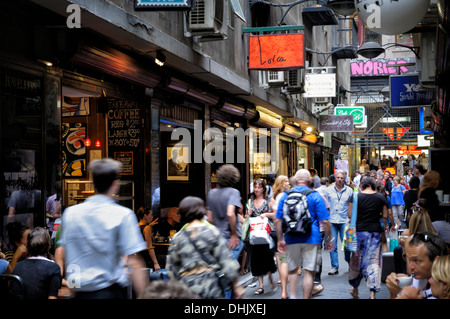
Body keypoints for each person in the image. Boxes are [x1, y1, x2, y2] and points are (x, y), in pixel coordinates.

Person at [61, 158, 148, 299]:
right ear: (115, 184)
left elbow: (70, 257)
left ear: (92, 183)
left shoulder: (70, 214)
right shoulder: (123, 215)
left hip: (80, 293)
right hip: (111, 292)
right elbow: (135, 261)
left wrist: (74, 292)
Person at [166, 196, 242, 299]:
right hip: (210, 286)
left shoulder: (177, 237)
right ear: (202, 211)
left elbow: (171, 268)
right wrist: (236, 286)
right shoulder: (212, 231)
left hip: (187, 290)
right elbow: (226, 262)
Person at [275, 169, 333, 299]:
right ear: (310, 181)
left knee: (293, 270)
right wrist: (329, 239)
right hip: (311, 238)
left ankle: (294, 296)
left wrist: (280, 239)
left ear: (295, 181)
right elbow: (325, 221)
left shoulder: (286, 195)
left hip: (291, 237)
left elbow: (278, 220)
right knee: (308, 271)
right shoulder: (315, 195)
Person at [348, 176, 390, 299]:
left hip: (358, 233)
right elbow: (385, 216)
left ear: (362, 185)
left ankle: (355, 289)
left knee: (356, 261)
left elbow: (350, 215)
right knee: (374, 262)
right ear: (374, 185)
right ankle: (372, 293)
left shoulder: (355, 196)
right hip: (374, 233)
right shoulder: (381, 197)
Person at [386, 232, 446, 299]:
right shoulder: (415, 281)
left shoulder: (444, 289)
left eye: (416, 261)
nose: (410, 267)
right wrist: (393, 292)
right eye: (409, 260)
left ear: (436, 261)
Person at [246, 178, 277, 295]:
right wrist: (247, 214)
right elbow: (246, 218)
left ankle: (270, 277)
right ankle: (261, 285)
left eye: (259, 187)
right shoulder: (250, 201)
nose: (257, 189)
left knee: (267, 257)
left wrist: (266, 214)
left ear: (264, 188)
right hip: (254, 234)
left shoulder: (269, 200)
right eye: (255, 187)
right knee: (256, 258)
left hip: (266, 233)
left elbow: (276, 215)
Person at [11, 227, 61, 299]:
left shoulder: (18, 267)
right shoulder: (53, 268)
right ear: (48, 245)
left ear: (28, 246)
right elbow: (52, 297)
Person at [206, 164, 243, 260]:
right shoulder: (234, 192)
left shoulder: (212, 193)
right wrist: (234, 234)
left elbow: (209, 218)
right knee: (230, 268)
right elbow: (230, 214)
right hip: (230, 237)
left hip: (217, 237)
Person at [325, 170, 353, 275]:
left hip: (345, 221)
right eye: (338, 178)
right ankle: (334, 267)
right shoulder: (328, 190)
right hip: (332, 220)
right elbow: (326, 205)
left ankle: (351, 265)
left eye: (342, 178)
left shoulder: (349, 191)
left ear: (344, 179)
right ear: (335, 178)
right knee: (332, 244)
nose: (340, 180)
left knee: (347, 244)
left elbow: (352, 206)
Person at [271, 175, 290, 299]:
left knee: (282, 260)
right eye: (285, 181)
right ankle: (285, 290)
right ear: (280, 183)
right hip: (288, 230)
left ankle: (284, 290)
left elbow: (276, 216)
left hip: (280, 229)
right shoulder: (286, 196)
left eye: (288, 181)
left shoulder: (276, 197)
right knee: (285, 260)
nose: (288, 183)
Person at [136, 206, 160, 271]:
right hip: (146, 260)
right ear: (145, 215)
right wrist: (156, 263)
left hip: (137, 259)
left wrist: (149, 226)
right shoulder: (147, 228)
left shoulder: (135, 226)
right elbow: (150, 247)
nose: (152, 217)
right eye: (151, 214)